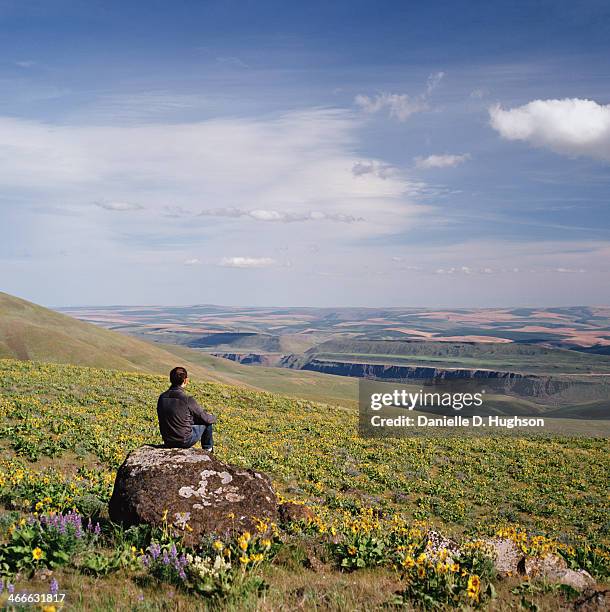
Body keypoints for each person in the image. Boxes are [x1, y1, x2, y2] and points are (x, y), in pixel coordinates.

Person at [157, 367, 216, 451]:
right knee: (207, 423)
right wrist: (213, 417)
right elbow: (205, 418)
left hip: (168, 441)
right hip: (184, 441)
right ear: (185, 380)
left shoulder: (162, 397)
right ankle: (208, 450)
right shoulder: (187, 399)